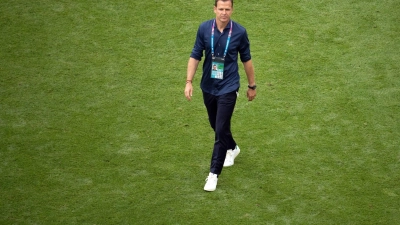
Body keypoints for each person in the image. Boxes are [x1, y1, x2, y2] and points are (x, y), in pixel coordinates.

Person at [184, 0, 257, 192]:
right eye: (221, 9)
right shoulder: (204, 29)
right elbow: (195, 55)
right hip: (208, 86)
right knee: (216, 124)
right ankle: (232, 147)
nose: (224, 13)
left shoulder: (239, 32)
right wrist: (188, 82)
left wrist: (252, 85)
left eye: (227, 9)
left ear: (232, 10)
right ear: (214, 9)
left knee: (220, 128)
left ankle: (213, 174)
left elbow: (246, 60)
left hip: (229, 87)